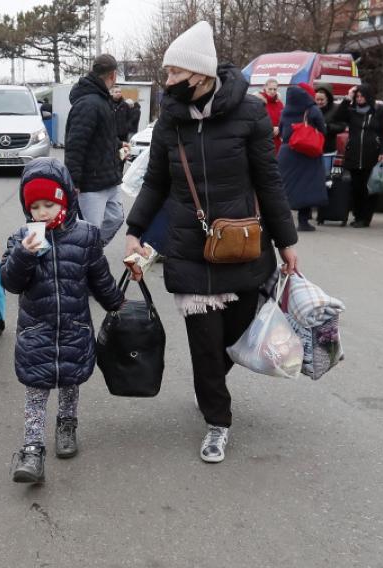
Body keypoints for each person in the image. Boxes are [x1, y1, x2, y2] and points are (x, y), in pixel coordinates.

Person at [123, 20, 299, 464]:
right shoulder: (170, 124)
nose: (167, 84)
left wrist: (287, 242)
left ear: (199, 75)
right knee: (205, 342)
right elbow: (155, 183)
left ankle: (211, 386)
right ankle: (217, 421)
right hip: (189, 248)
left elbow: (270, 181)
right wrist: (133, 231)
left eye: (173, 75)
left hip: (243, 244)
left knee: (236, 338)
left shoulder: (251, 114)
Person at [0, 158, 124, 483]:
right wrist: (24, 255)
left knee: (70, 384)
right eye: (35, 207)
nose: (42, 212)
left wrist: (117, 304)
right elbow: (10, 282)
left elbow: (100, 279)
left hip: (74, 330)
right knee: (36, 392)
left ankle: (67, 425)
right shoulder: (20, 239)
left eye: (49, 204)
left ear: (65, 200)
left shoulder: (86, 236)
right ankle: (31, 450)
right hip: (36, 332)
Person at [65, 54, 126, 245]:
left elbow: (102, 135)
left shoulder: (101, 99)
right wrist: (74, 181)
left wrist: (118, 144)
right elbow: (75, 145)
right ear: (113, 75)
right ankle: (86, 260)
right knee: (90, 230)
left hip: (108, 179)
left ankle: (89, 254)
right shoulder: (89, 103)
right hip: (91, 184)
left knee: (115, 218)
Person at [337, 84, 383, 228]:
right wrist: (348, 98)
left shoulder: (379, 111)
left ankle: (366, 217)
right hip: (354, 154)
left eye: (362, 96)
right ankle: (357, 215)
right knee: (356, 187)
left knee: (370, 187)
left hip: (372, 154)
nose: (360, 99)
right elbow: (338, 117)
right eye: (357, 96)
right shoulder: (352, 111)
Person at [278, 84, 328, 232]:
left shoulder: (285, 112)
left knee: (287, 187)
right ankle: (303, 220)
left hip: (287, 153)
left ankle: (283, 220)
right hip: (308, 152)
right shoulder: (312, 110)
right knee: (307, 187)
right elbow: (322, 129)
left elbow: (281, 131)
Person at [259, 77, 284, 154]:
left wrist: (279, 127)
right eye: (270, 89)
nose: (272, 91)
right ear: (265, 88)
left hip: (278, 142)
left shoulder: (280, 104)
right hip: (263, 141)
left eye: (274, 89)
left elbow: (284, 120)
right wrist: (270, 129)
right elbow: (256, 121)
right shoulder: (259, 102)